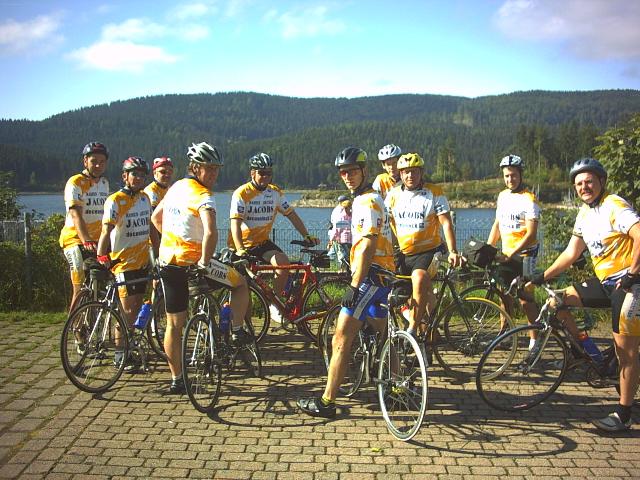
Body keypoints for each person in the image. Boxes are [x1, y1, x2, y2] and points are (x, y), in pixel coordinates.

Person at [528, 158, 640, 432]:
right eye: (579, 183)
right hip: (606, 282)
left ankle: (624, 413)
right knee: (556, 299)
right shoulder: (585, 213)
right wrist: (541, 277)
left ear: (601, 181)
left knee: (626, 352)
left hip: (631, 284)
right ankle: (588, 354)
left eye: (589, 181)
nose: (584, 187)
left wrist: (632, 274)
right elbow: (571, 253)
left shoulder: (614, 205)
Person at [297, 146, 394, 418]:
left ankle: (327, 402)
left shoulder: (368, 202)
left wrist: (354, 285)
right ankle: (397, 386)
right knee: (384, 334)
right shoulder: (368, 200)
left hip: (370, 277)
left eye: (352, 171)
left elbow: (367, 246)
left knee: (340, 338)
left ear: (364, 171)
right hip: (382, 277)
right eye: (343, 172)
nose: (348, 176)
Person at [151, 142, 252, 394]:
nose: (214, 175)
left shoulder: (175, 187)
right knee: (240, 282)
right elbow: (211, 232)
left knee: (175, 325)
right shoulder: (204, 195)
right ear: (195, 168)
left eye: (217, 169)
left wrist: (171, 238)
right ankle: (238, 331)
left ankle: (178, 379)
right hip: (195, 264)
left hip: (167, 262)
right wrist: (205, 263)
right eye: (210, 169)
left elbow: (155, 218)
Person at [229, 152, 319, 322]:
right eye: (262, 173)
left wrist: (306, 235)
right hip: (240, 245)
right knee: (243, 292)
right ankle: (243, 330)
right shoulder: (241, 193)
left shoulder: (275, 192)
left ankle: (274, 305)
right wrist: (240, 249)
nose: (265, 177)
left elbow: (292, 215)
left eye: (269, 173)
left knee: (283, 263)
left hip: (262, 243)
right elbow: (235, 224)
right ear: (252, 173)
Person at [385, 153, 463, 335]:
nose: (410, 176)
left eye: (414, 172)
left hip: (429, 251)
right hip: (403, 253)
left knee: (419, 279)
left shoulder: (434, 192)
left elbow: (445, 222)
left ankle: (412, 330)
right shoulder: (393, 195)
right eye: (405, 172)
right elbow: (384, 223)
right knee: (401, 295)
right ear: (400, 174)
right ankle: (426, 328)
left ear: (421, 172)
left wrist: (452, 251)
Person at [96, 157, 157, 371]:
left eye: (142, 175)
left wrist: (157, 254)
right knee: (126, 311)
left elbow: (150, 228)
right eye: (134, 174)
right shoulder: (115, 200)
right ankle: (121, 354)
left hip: (141, 263)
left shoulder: (145, 199)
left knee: (137, 306)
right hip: (122, 264)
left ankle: (130, 348)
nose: (139, 178)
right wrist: (101, 255)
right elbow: (106, 231)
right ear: (125, 176)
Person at [487, 154, 540, 347]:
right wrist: (489, 248)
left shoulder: (529, 199)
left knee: (525, 299)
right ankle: (505, 334)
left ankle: (534, 340)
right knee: (504, 295)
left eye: (514, 175)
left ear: (521, 175)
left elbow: (531, 235)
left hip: (526, 255)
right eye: (507, 176)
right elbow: (498, 224)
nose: (510, 179)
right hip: (507, 253)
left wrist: (512, 253)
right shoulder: (502, 196)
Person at [59, 142, 110, 311]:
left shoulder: (104, 183)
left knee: (98, 283)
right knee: (80, 285)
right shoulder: (75, 182)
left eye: (102, 162)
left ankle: (91, 319)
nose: (98, 165)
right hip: (74, 240)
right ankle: (74, 327)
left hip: (96, 241)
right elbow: (75, 214)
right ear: (85, 161)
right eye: (94, 161)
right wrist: (86, 239)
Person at [327, 194, 352, 272]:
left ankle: (345, 270)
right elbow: (337, 229)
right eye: (349, 207)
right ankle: (342, 271)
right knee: (343, 255)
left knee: (343, 255)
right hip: (342, 239)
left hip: (349, 239)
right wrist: (332, 240)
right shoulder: (341, 214)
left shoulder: (350, 214)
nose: (350, 208)